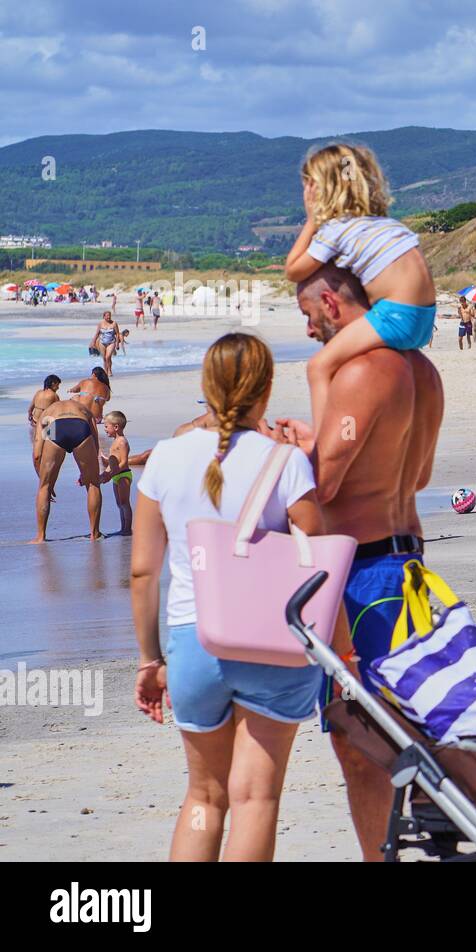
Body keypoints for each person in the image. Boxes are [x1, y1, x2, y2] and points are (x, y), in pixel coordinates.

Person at [131, 333, 327, 861]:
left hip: (194, 644)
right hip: (272, 643)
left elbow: (144, 573)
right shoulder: (285, 462)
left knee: (204, 797)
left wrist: (151, 660)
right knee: (256, 796)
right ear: (265, 390)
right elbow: (317, 555)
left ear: (206, 387)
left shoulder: (166, 460)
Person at [279, 263, 442, 861]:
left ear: (330, 301)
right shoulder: (421, 371)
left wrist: (294, 454)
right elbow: (417, 474)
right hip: (410, 565)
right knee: (412, 723)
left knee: (358, 739)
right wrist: (317, 441)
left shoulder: (356, 371)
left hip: (363, 576)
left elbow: (322, 487)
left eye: (307, 316)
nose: (310, 331)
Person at [284, 142, 437, 428]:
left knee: (319, 367)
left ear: (320, 190)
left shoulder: (336, 229)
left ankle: (323, 436)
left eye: (308, 187)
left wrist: (310, 220)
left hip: (396, 315)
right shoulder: (386, 224)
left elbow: (294, 269)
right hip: (426, 319)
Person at [31, 398, 102, 543]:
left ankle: (40, 536)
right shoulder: (83, 409)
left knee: (43, 488)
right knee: (93, 484)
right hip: (80, 426)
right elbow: (95, 443)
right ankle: (94, 534)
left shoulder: (48, 412)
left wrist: (44, 480)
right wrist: (86, 472)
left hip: (55, 425)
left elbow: (37, 453)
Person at [99, 410, 133, 535]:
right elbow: (113, 463)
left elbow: (123, 462)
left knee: (125, 503)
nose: (105, 429)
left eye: (106, 426)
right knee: (119, 504)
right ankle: (123, 528)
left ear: (116, 427)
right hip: (116, 475)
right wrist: (105, 474)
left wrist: (112, 474)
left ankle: (128, 529)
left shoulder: (122, 442)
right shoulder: (114, 442)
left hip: (123, 475)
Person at [89, 310, 121, 376]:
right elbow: (97, 334)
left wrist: (117, 344)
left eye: (110, 316)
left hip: (111, 342)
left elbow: (117, 334)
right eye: (107, 316)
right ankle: (106, 372)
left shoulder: (114, 323)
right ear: (104, 316)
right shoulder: (100, 324)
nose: (109, 317)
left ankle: (109, 370)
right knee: (104, 358)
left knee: (108, 357)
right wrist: (93, 342)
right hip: (102, 343)